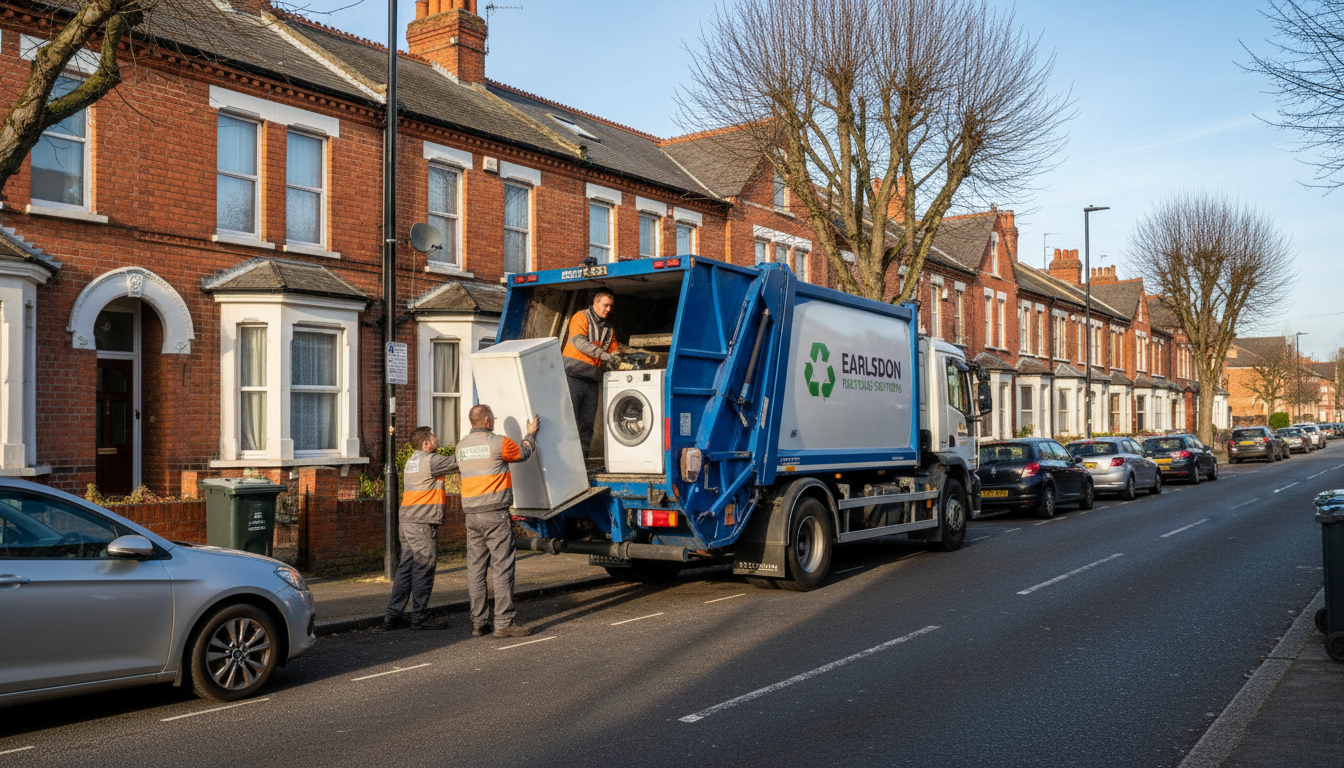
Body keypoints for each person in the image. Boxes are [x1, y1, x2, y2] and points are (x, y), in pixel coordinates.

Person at [457, 404, 540, 638]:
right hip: (495, 514)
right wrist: (531, 433)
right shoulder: (498, 442)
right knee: (502, 567)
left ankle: (479, 622)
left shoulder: (461, 447)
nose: (494, 419)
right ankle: (504, 623)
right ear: (486, 421)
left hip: (471, 516)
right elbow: (523, 453)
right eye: (492, 416)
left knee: (475, 569)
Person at [385, 426, 458, 631]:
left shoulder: (412, 461)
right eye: (434, 436)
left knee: (406, 568)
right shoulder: (430, 460)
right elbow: (459, 462)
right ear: (426, 444)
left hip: (407, 519)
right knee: (424, 567)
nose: (437, 438)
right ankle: (420, 616)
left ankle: (393, 614)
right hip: (421, 521)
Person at [562, 288, 620, 456]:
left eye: (611, 306)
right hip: (573, 377)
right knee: (570, 421)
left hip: (593, 380)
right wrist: (605, 356)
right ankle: (568, 459)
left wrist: (617, 359)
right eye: (605, 305)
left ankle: (584, 459)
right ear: (595, 303)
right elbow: (579, 342)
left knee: (587, 423)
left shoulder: (609, 328)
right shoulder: (580, 317)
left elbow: (613, 349)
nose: (608, 309)